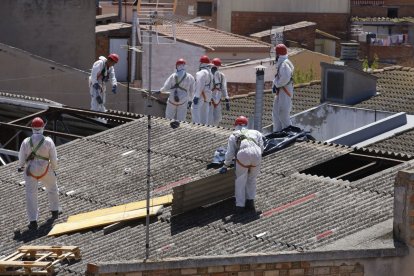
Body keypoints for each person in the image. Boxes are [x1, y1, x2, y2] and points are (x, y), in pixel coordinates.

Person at [17, 117, 60, 230]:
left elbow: (21, 158)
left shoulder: (26, 141)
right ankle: (55, 210)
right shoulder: (48, 141)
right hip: (45, 169)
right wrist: (54, 168)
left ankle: (33, 221)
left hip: (30, 170)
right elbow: (54, 158)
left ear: (32, 128)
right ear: (42, 127)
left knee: (31, 195)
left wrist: (21, 166)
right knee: (52, 188)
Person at [219, 116, 264, 214]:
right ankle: (250, 203)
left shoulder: (234, 134)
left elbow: (230, 153)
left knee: (240, 180)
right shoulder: (256, 132)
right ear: (246, 124)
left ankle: (240, 206)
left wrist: (225, 166)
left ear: (236, 125)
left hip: (243, 154)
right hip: (257, 154)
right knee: (252, 179)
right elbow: (262, 148)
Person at [159, 58, 195, 127]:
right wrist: (191, 100)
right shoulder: (190, 77)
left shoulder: (173, 76)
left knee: (168, 119)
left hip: (172, 101)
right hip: (183, 102)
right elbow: (192, 91)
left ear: (177, 66)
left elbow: (166, 87)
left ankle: (167, 130)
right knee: (181, 120)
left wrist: (160, 91)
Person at [272, 44, 294, 132]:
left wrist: (276, 84)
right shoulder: (283, 62)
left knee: (283, 113)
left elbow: (285, 78)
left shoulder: (284, 64)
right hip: (282, 91)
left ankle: (288, 131)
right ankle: (277, 131)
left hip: (285, 91)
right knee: (276, 112)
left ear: (278, 54)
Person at [191, 55, 213, 125]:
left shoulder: (201, 73)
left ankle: (196, 125)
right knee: (204, 112)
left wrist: (197, 96)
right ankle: (204, 126)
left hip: (201, 94)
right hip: (208, 95)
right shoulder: (210, 73)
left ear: (202, 63)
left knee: (195, 108)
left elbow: (199, 85)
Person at [209, 58, 230, 126]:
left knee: (217, 118)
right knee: (208, 118)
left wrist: (226, 99)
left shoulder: (221, 75)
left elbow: (224, 87)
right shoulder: (207, 74)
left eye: (217, 66)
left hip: (218, 98)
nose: (216, 67)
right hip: (208, 98)